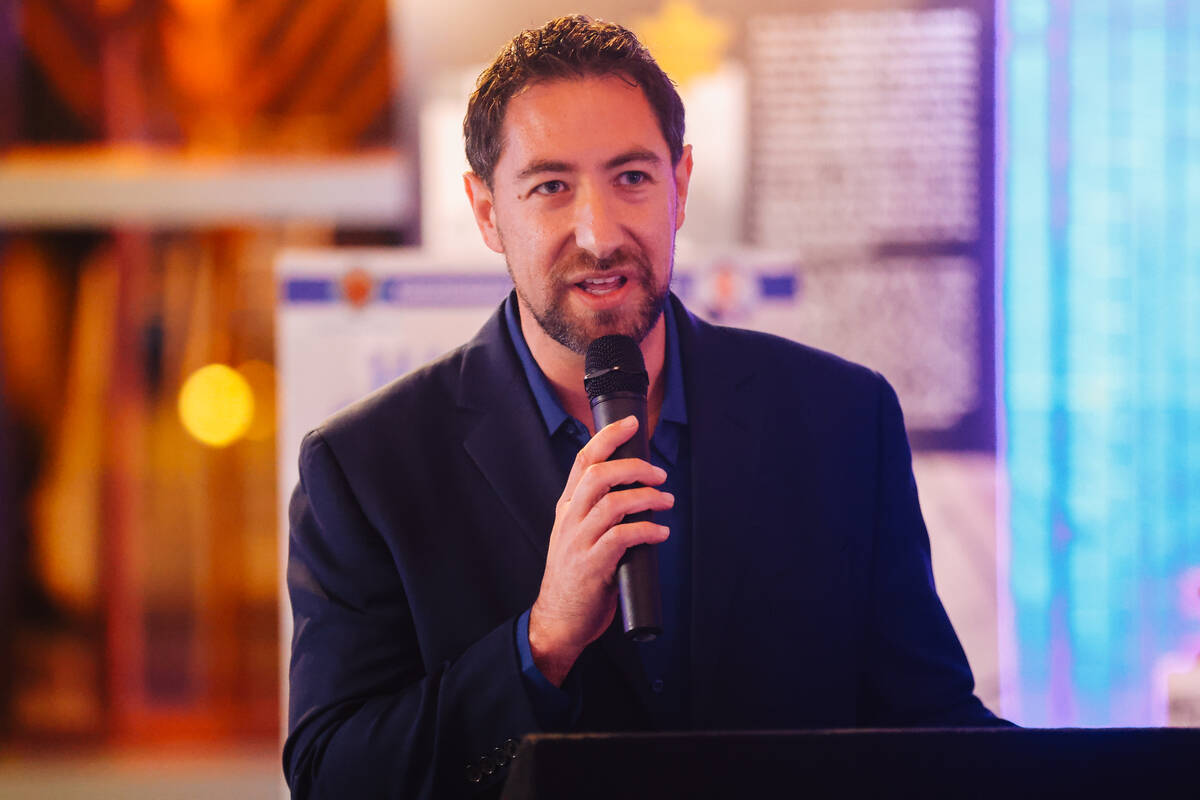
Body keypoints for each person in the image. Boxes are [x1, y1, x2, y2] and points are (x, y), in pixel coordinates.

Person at [283, 14, 1006, 800]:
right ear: (488, 211)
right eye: (551, 187)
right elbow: (332, 777)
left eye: (631, 177)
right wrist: (540, 644)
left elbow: (932, 728)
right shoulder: (367, 469)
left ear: (681, 185)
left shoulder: (841, 420)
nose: (598, 233)